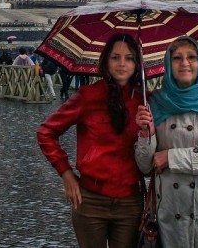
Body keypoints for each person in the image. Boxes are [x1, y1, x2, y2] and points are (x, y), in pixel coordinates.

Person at [37, 34, 145, 248]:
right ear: (105, 61)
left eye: (129, 58)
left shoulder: (145, 100)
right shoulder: (88, 96)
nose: (122, 64)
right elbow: (46, 132)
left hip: (130, 201)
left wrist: (148, 129)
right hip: (90, 200)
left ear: (137, 64)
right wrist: (66, 173)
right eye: (115, 57)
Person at [135, 36, 198, 247]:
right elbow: (145, 166)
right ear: (168, 63)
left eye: (191, 57)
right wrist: (145, 134)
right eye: (177, 58)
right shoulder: (154, 101)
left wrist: (172, 158)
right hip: (171, 210)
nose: (185, 63)